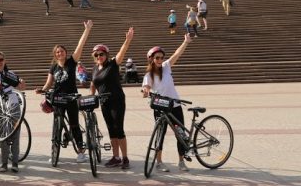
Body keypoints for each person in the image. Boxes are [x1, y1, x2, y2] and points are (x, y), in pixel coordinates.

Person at [36, 20, 93, 163]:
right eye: (57, 52)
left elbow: (80, 46)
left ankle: (81, 152)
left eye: (61, 51)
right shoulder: (53, 67)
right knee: (57, 125)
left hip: (71, 98)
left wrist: (87, 30)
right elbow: (49, 83)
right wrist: (42, 90)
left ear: (66, 53)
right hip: (58, 99)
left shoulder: (71, 63)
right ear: (55, 55)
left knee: (74, 124)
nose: (60, 53)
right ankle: (54, 152)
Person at [141, 35, 193, 172]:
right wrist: (145, 91)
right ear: (151, 59)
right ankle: (159, 162)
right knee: (160, 133)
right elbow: (146, 87)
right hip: (160, 107)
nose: (159, 60)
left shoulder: (166, 67)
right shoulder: (149, 75)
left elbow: (177, 54)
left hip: (175, 106)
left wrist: (185, 42)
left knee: (180, 133)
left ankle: (181, 162)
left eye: (161, 57)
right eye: (156, 57)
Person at [91, 26, 134, 169]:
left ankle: (125, 158)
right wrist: (91, 97)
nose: (99, 57)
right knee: (110, 129)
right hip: (104, 101)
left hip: (116, 100)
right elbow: (94, 83)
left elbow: (122, 53)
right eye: (96, 55)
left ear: (106, 55)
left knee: (118, 128)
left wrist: (127, 40)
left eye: (101, 54)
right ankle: (115, 157)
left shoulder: (113, 64)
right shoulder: (95, 69)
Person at [0, 52, 26, 172]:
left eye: (1, 59)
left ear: (5, 61)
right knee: (2, 137)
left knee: (15, 136)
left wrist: (21, 82)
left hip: (12, 105)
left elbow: (22, 87)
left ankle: (15, 164)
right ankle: (4, 163)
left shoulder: (10, 74)